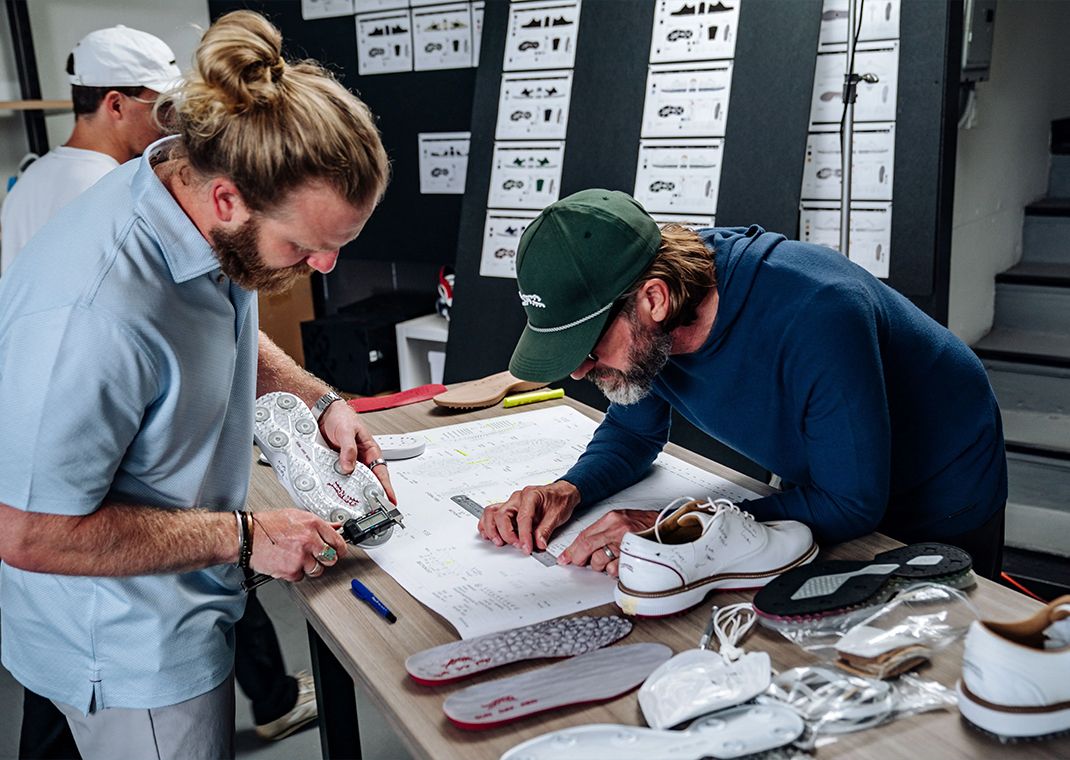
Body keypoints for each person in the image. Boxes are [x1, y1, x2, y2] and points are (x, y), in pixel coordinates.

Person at [0, 10, 392, 760]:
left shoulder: (191, 190)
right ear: (227, 203)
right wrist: (247, 537)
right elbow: (26, 532)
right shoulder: (95, 312)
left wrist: (320, 400)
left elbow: (218, 324)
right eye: (306, 247)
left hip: (181, 598)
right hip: (127, 648)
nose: (325, 269)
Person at [479, 189, 1008, 581]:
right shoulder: (651, 321)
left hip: (940, 487)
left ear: (655, 300)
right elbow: (633, 435)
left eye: (589, 345)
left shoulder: (815, 313)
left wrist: (675, 524)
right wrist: (569, 491)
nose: (578, 371)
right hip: (832, 480)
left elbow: (852, 504)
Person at [1, 25, 179, 272]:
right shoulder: (114, 187)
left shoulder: (29, 179)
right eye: (161, 105)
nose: (169, 119)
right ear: (116, 104)